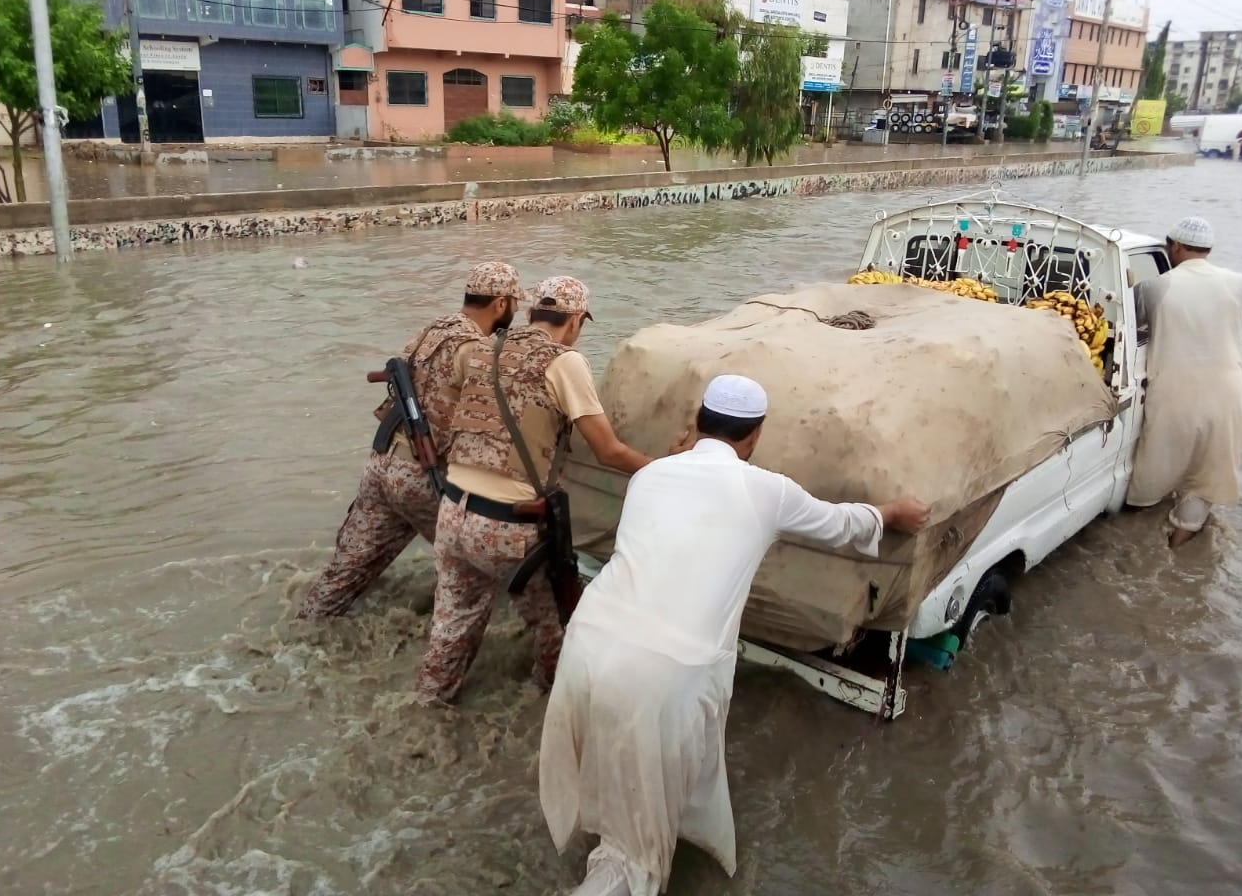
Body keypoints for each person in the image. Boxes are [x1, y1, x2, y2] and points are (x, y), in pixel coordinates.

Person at [538, 375, 931, 896]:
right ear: (754, 436)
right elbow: (840, 525)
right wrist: (893, 513)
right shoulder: (765, 490)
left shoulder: (650, 477)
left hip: (588, 642)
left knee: (613, 774)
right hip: (663, 672)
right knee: (639, 858)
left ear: (697, 420)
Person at [414, 276, 661, 705]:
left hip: (452, 513)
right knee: (559, 625)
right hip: (509, 526)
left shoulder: (481, 348)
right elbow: (608, 450)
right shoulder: (565, 362)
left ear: (529, 313)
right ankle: (547, 704)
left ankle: (429, 702)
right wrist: (669, 469)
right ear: (577, 320)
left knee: (452, 626)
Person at [296, 261, 524, 619]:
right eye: (514, 303)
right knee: (482, 567)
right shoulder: (474, 349)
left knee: (344, 574)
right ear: (500, 304)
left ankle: (305, 628)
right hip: (423, 476)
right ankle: (438, 632)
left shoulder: (432, 329)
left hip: (383, 466)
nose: (516, 310)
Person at [1126, 216, 1242, 548]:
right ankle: (1179, 542)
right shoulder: (1238, 282)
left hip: (1175, 391)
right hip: (1229, 392)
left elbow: (1134, 328)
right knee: (1207, 476)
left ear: (1174, 246)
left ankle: (1137, 545)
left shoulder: (1155, 287)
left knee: (1156, 468)